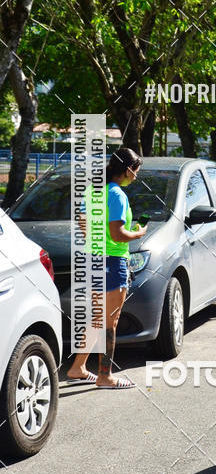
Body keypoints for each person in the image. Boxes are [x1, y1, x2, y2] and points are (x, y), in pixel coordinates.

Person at [67, 148, 147, 389]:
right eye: (136, 172)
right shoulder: (118, 196)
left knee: (97, 317)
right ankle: (105, 376)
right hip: (112, 262)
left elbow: (82, 226)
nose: (136, 177)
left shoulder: (92, 191)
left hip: (92, 259)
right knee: (110, 322)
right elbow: (117, 234)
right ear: (128, 169)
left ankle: (77, 368)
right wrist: (138, 233)